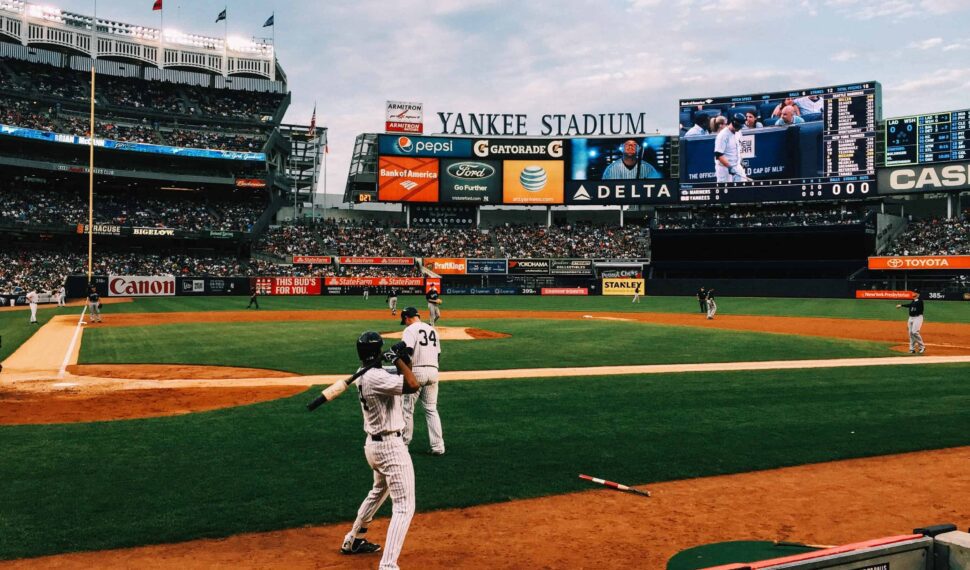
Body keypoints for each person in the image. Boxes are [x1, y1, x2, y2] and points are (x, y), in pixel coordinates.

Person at [341, 331, 420, 569]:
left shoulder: (366, 374)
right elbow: (412, 384)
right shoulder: (376, 378)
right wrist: (395, 359)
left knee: (378, 491)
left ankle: (354, 539)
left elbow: (404, 374)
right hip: (390, 449)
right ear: (377, 352)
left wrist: (403, 359)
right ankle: (388, 565)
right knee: (404, 507)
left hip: (374, 447)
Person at [399, 306, 445, 455]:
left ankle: (404, 445)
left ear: (407, 318)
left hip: (416, 372)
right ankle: (438, 447)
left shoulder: (409, 330)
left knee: (407, 409)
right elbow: (438, 355)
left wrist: (406, 373)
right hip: (433, 371)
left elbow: (407, 353)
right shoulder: (432, 330)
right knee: (431, 409)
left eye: (404, 320)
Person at [714, 113, 748, 182]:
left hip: (737, 166)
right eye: (739, 127)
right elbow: (719, 155)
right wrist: (729, 167)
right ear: (733, 123)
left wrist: (740, 161)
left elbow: (737, 148)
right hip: (724, 169)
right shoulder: (722, 135)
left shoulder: (738, 132)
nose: (740, 128)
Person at [896, 289, 926, 354]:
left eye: (915, 292)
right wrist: (901, 305)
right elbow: (910, 305)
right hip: (911, 318)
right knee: (910, 333)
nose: (913, 293)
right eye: (913, 292)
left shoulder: (920, 301)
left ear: (918, 294)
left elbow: (913, 305)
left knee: (914, 332)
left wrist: (912, 302)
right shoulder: (914, 300)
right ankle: (912, 349)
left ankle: (922, 347)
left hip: (917, 318)